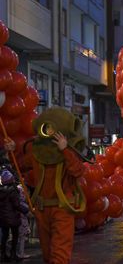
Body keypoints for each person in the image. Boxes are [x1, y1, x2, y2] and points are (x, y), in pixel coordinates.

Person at [12, 108, 87, 264]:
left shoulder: (69, 151)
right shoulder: (36, 151)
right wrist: (11, 151)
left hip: (62, 208)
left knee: (59, 255)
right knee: (47, 255)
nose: (49, 131)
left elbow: (78, 171)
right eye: (47, 128)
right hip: (42, 209)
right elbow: (18, 165)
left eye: (53, 128)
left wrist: (65, 150)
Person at [0, 165, 29, 262]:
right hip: (13, 217)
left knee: (4, 236)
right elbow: (16, 205)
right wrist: (26, 210)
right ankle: (13, 255)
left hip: (3, 218)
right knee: (15, 236)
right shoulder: (13, 191)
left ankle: (3, 255)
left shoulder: (1, 191)